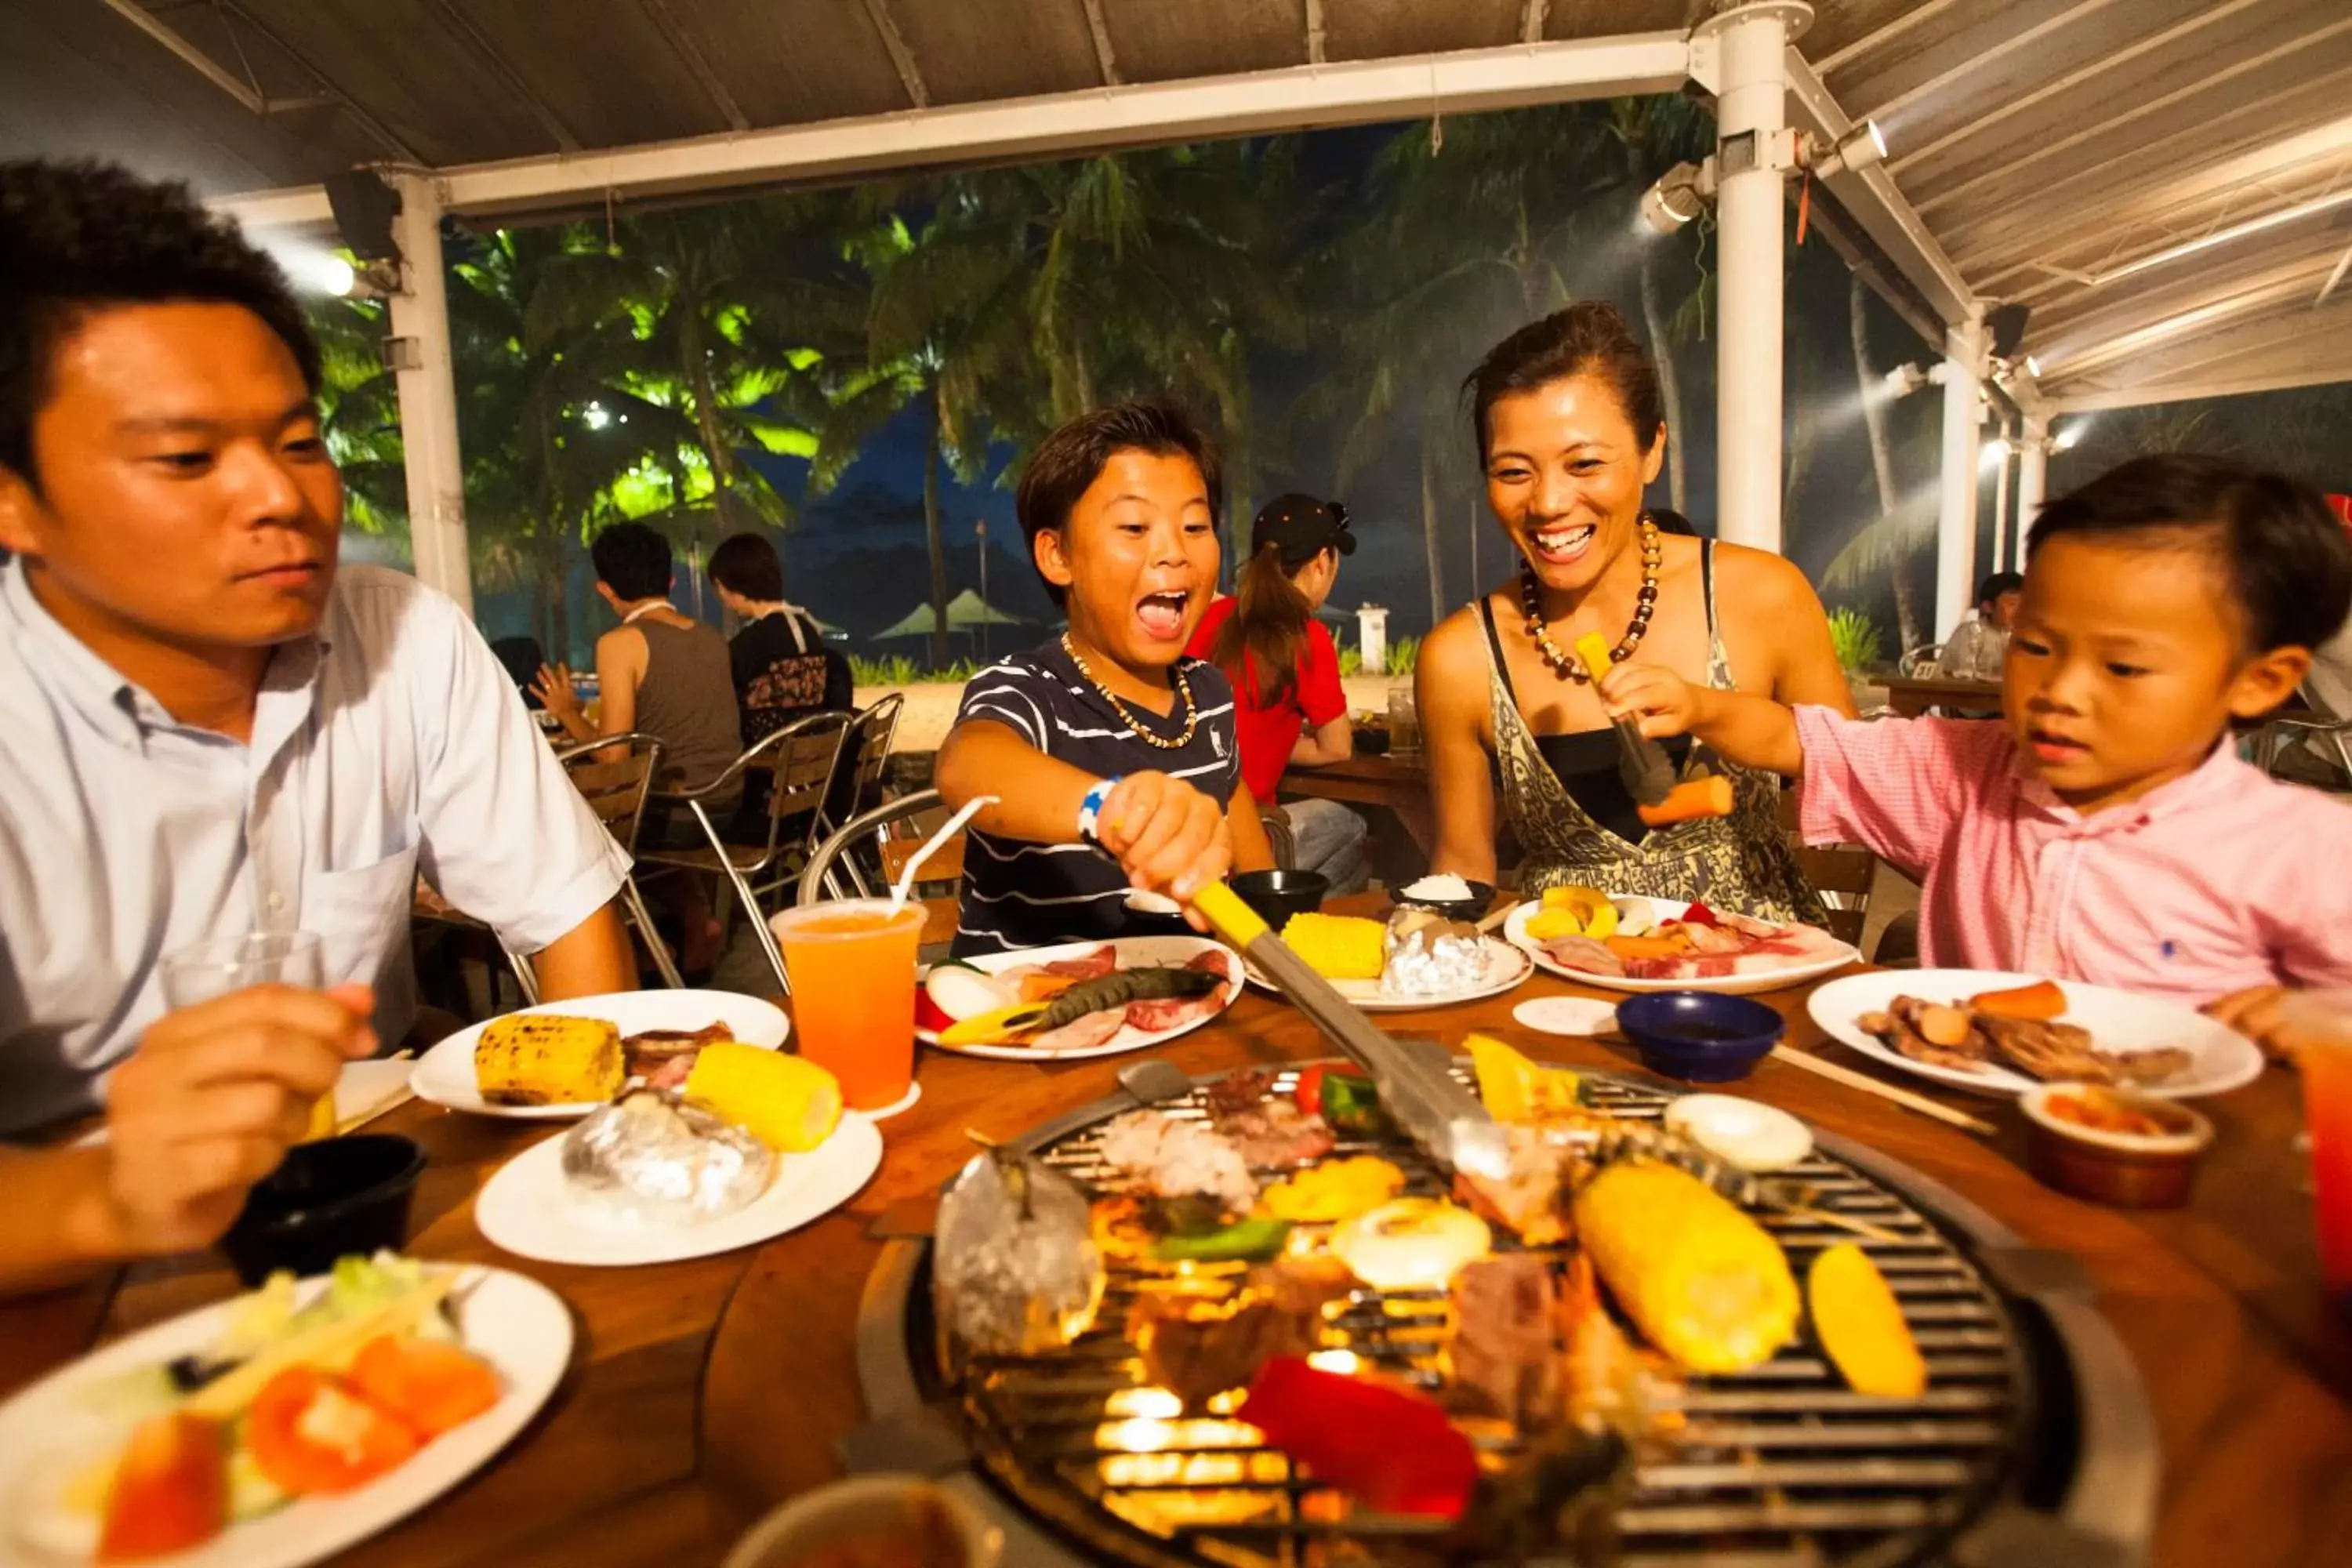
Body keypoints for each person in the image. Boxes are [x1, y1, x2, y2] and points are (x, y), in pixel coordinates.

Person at [0, 158, 634, 1294]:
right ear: (14, 495)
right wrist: (108, 1196)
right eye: (186, 459)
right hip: (65, 1281)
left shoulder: (405, 638)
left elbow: (567, 924)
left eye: (299, 443)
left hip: (386, 1211)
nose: (281, 499)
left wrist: (598, 1189)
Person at [1599, 454, 2352, 1052]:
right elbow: (1798, 740)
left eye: (2122, 667)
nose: (2061, 690)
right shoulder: (1966, 772)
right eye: (2036, 646)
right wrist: (1697, 704)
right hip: (1955, 1119)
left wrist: (2327, 1026)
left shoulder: (2300, 846)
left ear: (2261, 681)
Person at [1416, 303, 1850, 918]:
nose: (1548, 503)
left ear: (1652, 450)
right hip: (1565, 983)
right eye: (1514, 472)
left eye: (1585, 463)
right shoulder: (1459, 658)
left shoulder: (1759, 594)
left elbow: (1865, 785)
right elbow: (1463, 865)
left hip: (1758, 979)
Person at [935, 401, 1273, 955]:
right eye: (1135, 527)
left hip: (1185, 1011)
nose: (1173, 552)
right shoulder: (1031, 689)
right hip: (1030, 1022)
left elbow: (1255, 884)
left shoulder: (1209, 693)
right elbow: (966, 767)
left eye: (1195, 525)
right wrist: (1109, 810)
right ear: (1057, 554)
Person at [533, 522, 743, 973]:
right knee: (632, 806)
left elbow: (613, 759)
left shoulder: (620, 644)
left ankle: (639, 944)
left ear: (605, 589)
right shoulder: (711, 637)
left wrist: (568, 713)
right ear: (669, 581)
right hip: (726, 803)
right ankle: (694, 918)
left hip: (677, 815)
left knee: (580, 826)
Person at [1187, 493, 1370, 894]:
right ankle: (1294, 927)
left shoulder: (1211, 619)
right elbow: (1336, 748)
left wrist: (1260, 736)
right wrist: (1275, 740)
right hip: (1249, 837)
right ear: (1323, 562)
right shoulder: (1306, 636)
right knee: (1351, 825)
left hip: (1188, 834)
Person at [706, 532, 852, 746]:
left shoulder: (753, 641)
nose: (722, 597)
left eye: (720, 587)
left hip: (766, 759)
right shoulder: (807, 628)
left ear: (731, 585)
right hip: (813, 752)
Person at [1933, 571, 2024, 681]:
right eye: (2012, 604)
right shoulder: (1972, 632)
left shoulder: (2022, 636)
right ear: (1988, 607)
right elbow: (1965, 675)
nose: (2020, 611)